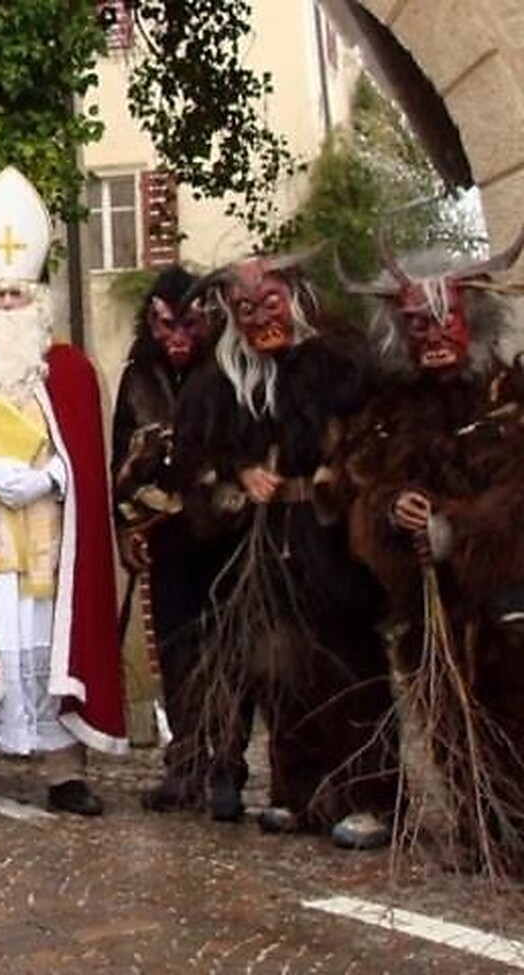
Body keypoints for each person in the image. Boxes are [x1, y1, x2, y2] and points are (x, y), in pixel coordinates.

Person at [0, 166, 126, 821]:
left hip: (51, 536)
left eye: (17, 296)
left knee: (53, 642)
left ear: (37, 302)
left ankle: (65, 771)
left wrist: (54, 476)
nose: (8, 307)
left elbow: (87, 458)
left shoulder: (70, 370)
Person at [172, 253, 398, 847]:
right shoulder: (222, 385)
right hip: (268, 545)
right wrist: (238, 473)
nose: (258, 318)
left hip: (331, 544)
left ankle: (370, 796)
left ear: (293, 298)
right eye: (244, 309)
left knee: (347, 665)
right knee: (280, 669)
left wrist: (338, 477)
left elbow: (377, 441)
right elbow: (196, 462)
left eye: (269, 302)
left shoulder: (339, 367)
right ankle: (300, 794)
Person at [336, 230, 524, 874]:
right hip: (432, 606)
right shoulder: (391, 410)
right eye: (418, 323)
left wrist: (457, 530)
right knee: (446, 714)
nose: (434, 334)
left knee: (512, 705)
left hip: (506, 602)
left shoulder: (510, 394)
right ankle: (482, 827)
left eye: (447, 318)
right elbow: (366, 482)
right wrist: (395, 510)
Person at [111, 263, 226, 812]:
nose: (177, 339)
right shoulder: (138, 376)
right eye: (166, 327)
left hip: (223, 533)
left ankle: (226, 768)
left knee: (226, 649)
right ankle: (186, 763)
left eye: (188, 326)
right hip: (166, 535)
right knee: (177, 649)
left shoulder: (225, 371)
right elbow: (121, 456)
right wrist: (127, 528)